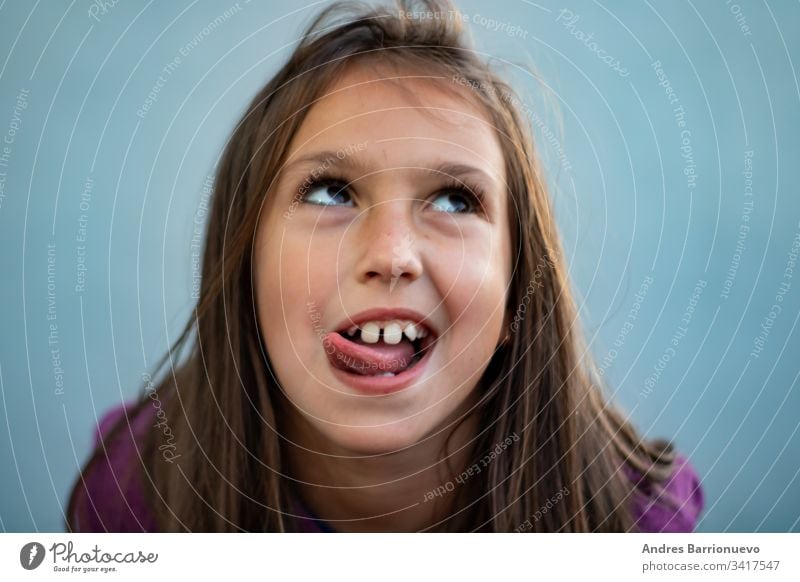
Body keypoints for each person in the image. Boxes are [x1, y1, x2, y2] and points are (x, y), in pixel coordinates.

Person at [67, 0, 703, 533]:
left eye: (456, 200)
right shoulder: (133, 488)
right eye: (329, 192)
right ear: (246, 273)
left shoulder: (637, 521)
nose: (392, 255)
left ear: (517, 297)